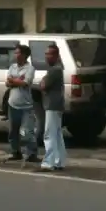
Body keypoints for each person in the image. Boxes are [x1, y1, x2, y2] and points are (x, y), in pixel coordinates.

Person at [6, 45, 39, 162]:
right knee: (13, 131)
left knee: (27, 131)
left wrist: (14, 81)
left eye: (18, 53)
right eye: (15, 53)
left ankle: (32, 154)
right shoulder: (12, 67)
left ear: (24, 55)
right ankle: (15, 152)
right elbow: (7, 83)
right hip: (12, 104)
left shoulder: (30, 68)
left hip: (26, 106)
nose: (16, 55)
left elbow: (26, 83)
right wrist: (18, 80)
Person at [40, 43, 66, 171]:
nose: (46, 57)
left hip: (52, 105)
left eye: (49, 54)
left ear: (56, 55)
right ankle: (58, 161)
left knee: (49, 134)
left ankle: (49, 162)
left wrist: (43, 81)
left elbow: (43, 85)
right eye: (46, 54)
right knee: (56, 134)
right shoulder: (57, 68)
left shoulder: (54, 70)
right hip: (56, 105)